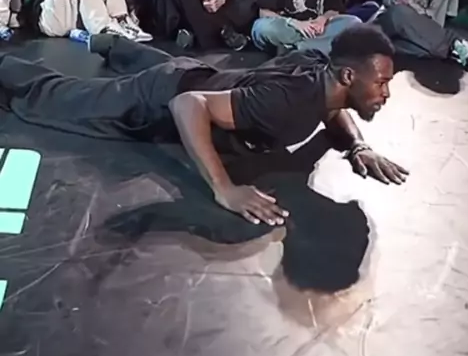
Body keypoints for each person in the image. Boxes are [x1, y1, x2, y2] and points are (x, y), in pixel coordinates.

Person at [0, 25, 408, 227]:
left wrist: (357, 145)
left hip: (198, 73)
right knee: (60, 99)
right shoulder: (285, 104)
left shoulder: (322, 74)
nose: (387, 93)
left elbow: (333, 109)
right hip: (161, 98)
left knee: (172, 69)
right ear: (348, 76)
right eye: (382, 82)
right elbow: (188, 105)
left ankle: (117, 46)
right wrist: (224, 189)